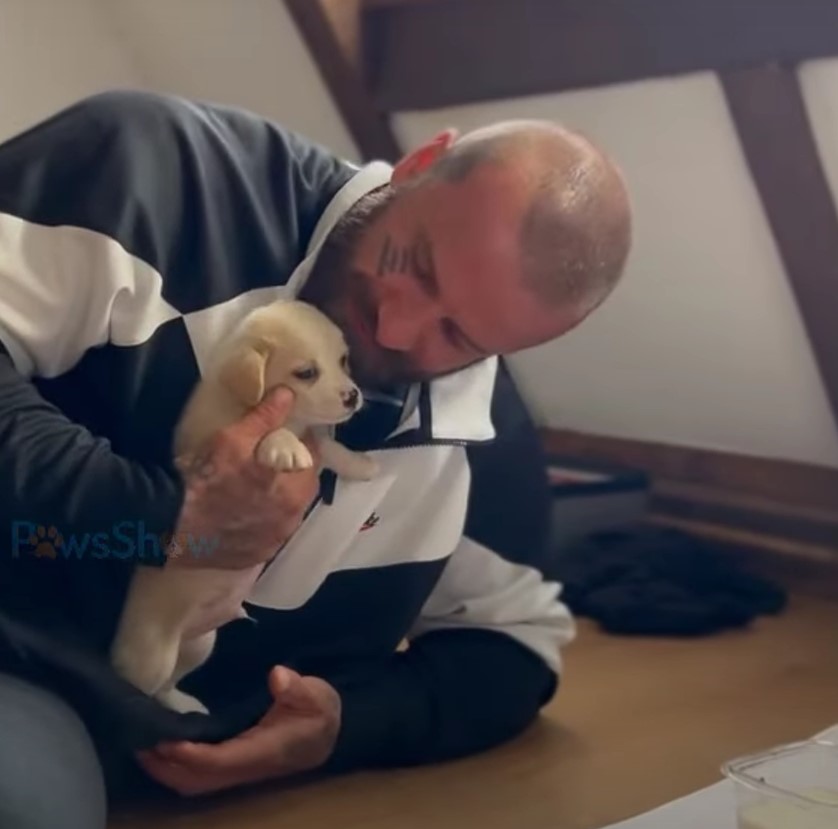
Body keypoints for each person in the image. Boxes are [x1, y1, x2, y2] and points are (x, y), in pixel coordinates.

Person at [0, 90, 631, 828]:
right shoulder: (152, 173)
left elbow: (514, 647)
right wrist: (161, 515)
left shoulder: (480, 436)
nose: (394, 330)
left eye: (458, 337)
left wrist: (345, 727)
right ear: (419, 165)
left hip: (158, 743)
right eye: (416, 264)